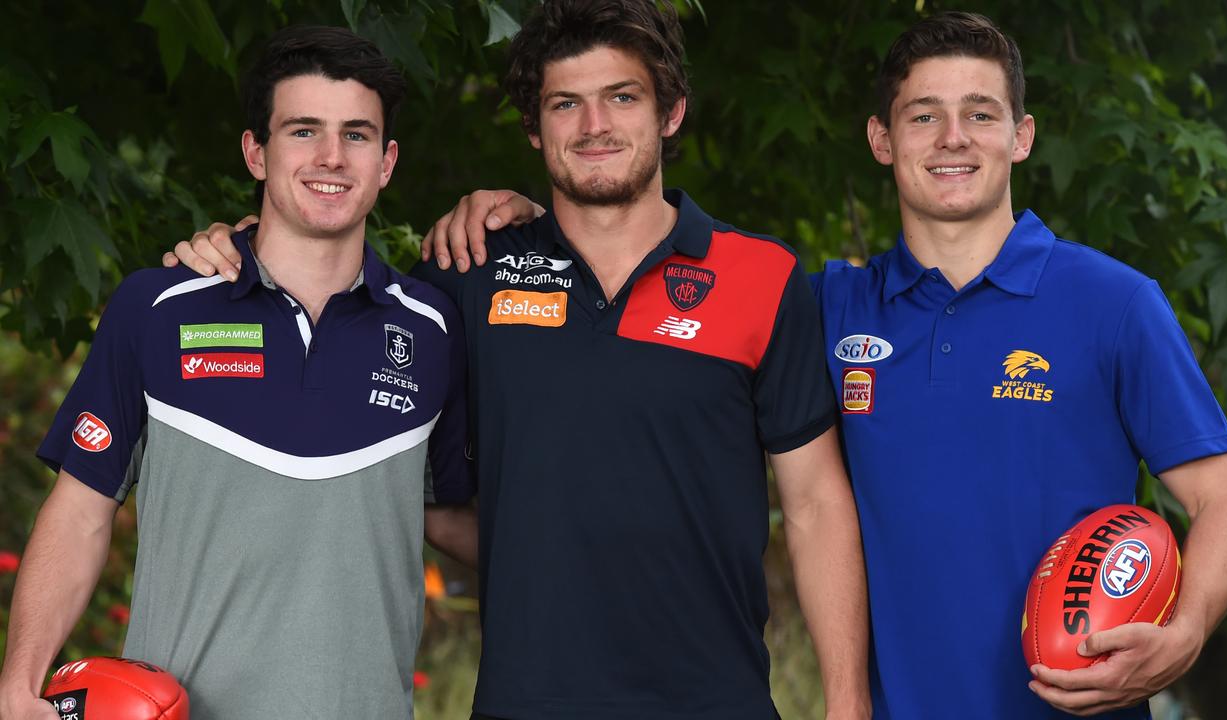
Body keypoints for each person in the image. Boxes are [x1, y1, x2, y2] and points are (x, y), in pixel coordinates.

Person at [368, 10, 1227, 720]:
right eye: (924, 115)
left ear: (1022, 137)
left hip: (1073, 704)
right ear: (883, 140)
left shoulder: (1115, 303)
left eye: (980, 115)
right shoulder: (830, 305)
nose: (952, 138)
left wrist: (1185, 634)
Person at [165, 2, 870, 719]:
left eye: (622, 97)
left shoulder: (762, 277)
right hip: (525, 700)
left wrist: (847, 704)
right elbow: (377, 444)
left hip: (716, 700)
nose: (594, 126)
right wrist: (241, 250)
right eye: (566, 104)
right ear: (534, 128)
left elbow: (814, 504)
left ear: (671, 112)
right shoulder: (467, 277)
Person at [0, 26, 477, 720]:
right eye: (303, 131)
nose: (331, 158)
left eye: (357, 135)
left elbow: (456, 517)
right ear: (256, 152)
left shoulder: (433, 331)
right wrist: (18, 684)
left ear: (388, 160)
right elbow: (79, 513)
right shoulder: (157, 308)